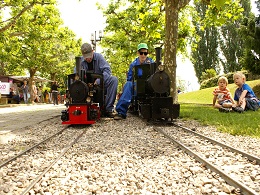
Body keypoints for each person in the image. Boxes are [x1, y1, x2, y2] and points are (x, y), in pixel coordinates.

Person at [114, 43, 154, 120]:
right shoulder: (133, 64)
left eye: (145, 53)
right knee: (128, 84)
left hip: (149, 85)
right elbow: (129, 78)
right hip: (137, 86)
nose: (143, 55)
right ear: (138, 53)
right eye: (141, 53)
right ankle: (121, 112)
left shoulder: (152, 63)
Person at [79, 43, 118, 117]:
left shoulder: (99, 57)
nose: (88, 59)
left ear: (92, 51)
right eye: (86, 57)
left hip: (100, 84)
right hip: (85, 87)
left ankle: (108, 109)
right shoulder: (80, 61)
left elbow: (107, 71)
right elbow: (76, 75)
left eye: (89, 56)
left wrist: (98, 81)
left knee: (114, 80)